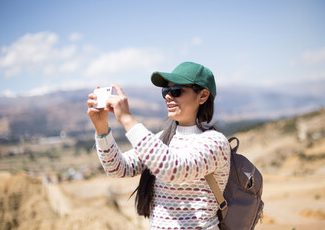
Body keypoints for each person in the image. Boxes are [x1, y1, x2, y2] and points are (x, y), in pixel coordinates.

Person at [87, 61, 230, 230]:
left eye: (176, 91)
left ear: (203, 96)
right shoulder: (162, 139)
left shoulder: (215, 142)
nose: (169, 96)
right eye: (166, 91)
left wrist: (127, 119)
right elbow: (117, 168)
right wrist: (101, 128)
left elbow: (174, 169)